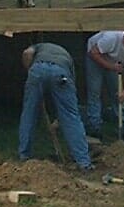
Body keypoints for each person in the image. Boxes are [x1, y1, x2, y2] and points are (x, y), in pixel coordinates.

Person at [17, 41, 92, 170]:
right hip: (61, 73)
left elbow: (27, 53)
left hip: (37, 70)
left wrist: (30, 70)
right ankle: (83, 162)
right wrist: (59, 120)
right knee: (71, 116)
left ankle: (24, 155)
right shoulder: (68, 59)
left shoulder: (38, 47)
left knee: (29, 113)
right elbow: (69, 100)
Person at [84, 30, 124, 140]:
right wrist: (111, 67)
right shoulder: (111, 38)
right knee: (94, 93)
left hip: (113, 61)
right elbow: (93, 52)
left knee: (118, 95)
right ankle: (94, 128)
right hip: (95, 58)